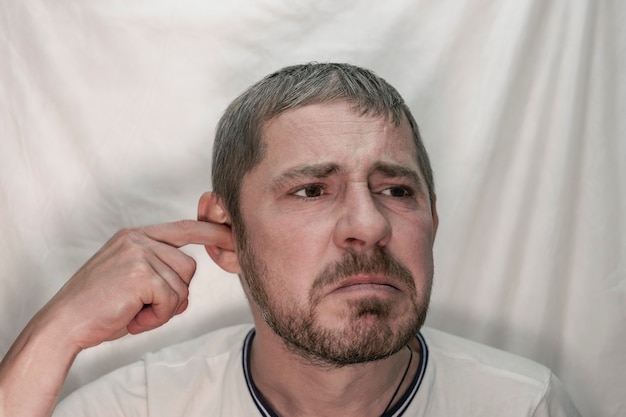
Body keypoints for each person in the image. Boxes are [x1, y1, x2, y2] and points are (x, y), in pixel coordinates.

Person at [0, 63, 581, 417]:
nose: (370, 225)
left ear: (434, 220)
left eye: (398, 191)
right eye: (311, 190)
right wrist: (56, 333)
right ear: (226, 236)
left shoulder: (523, 404)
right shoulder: (141, 407)